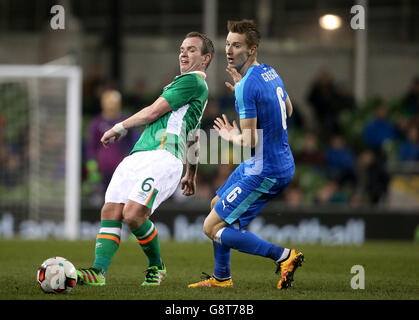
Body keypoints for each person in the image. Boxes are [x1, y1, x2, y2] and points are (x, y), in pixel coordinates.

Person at [77, 31, 214, 286]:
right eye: (182, 48)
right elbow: (193, 133)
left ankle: (156, 265)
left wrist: (119, 126)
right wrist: (191, 172)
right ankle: (98, 272)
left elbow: (152, 112)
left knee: (133, 214)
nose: (184, 52)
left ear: (205, 59)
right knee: (111, 210)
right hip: (139, 154)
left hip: (163, 156)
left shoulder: (193, 82)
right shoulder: (184, 86)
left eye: (192, 50)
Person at [188, 20, 304, 290]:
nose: (229, 50)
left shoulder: (246, 86)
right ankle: (221, 277)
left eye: (237, 45)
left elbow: (249, 139)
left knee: (211, 228)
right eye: (228, 43)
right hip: (269, 162)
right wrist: (247, 91)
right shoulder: (269, 72)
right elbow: (288, 110)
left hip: (266, 169)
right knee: (218, 204)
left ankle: (284, 256)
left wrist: (229, 136)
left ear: (252, 49)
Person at [85, 89, 139, 200]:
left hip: (122, 168)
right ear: (103, 103)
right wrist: (91, 163)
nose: (111, 106)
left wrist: (134, 161)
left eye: (114, 103)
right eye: (108, 103)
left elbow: (134, 142)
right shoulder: (97, 122)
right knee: (104, 198)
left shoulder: (126, 121)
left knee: (122, 198)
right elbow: (92, 145)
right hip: (102, 168)